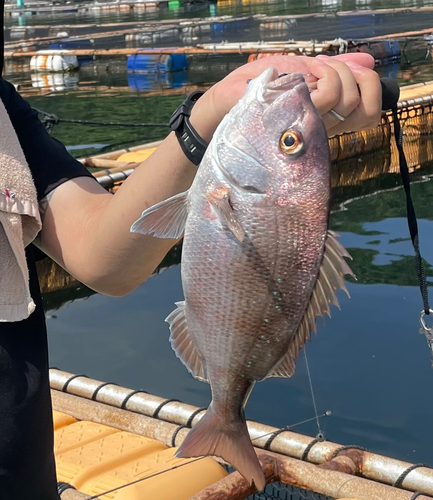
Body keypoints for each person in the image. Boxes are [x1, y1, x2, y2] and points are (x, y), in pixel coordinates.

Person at [0, 4, 382, 498]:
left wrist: (211, 114)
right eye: (290, 142)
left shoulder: (4, 115)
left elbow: (102, 258)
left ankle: (226, 418)